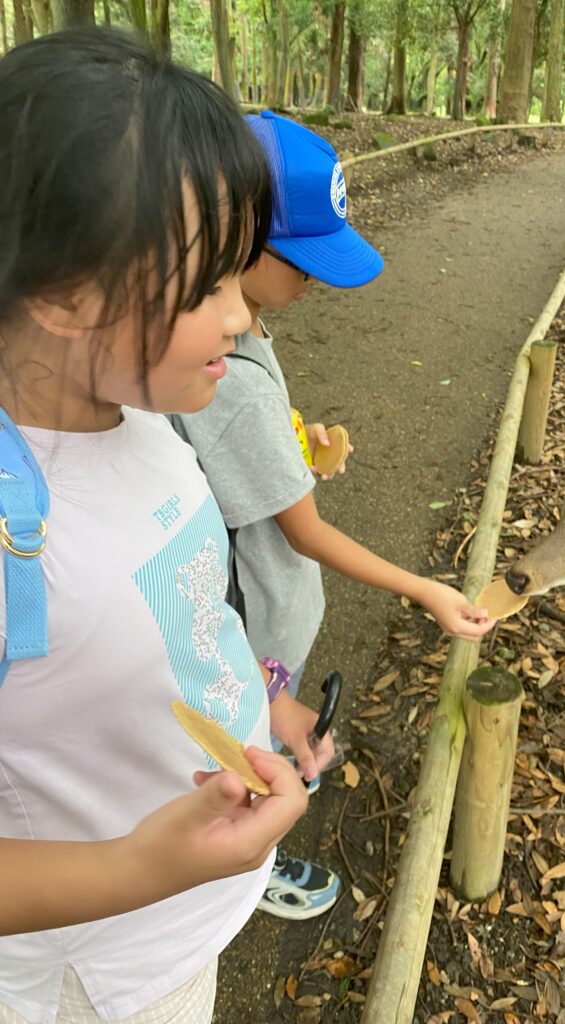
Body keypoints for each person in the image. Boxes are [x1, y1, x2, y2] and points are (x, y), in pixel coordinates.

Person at [0, 29, 333, 1023]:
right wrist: (139, 864)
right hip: (91, 980)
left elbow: (179, 607)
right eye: (210, 285)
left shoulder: (142, 409)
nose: (240, 317)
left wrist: (261, 709)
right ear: (67, 294)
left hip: (184, 927)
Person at [171, 112, 494, 919]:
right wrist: (424, 589)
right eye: (301, 260)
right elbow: (303, 530)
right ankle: (246, 870)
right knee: (234, 743)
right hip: (250, 614)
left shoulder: (242, 337)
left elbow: (244, 439)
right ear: (235, 240)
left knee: (264, 718)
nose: (313, 280)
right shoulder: (231, 379)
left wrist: (298, 443)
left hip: (264, 618)